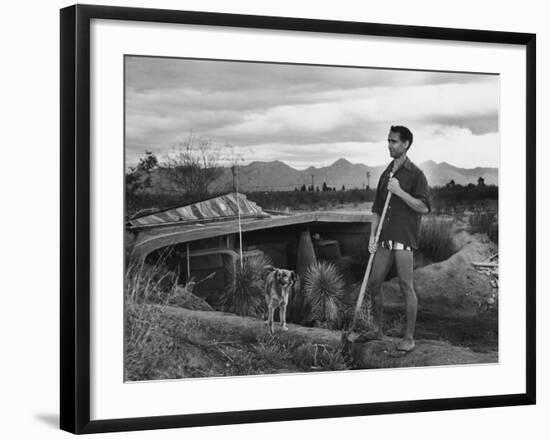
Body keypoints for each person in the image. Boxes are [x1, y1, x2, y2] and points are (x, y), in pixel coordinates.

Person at [366, 125, 431, 352]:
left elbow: (423, 206)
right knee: (374, 284)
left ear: (405, 144)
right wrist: (372, 236)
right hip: (384, 239)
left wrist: (401, 192)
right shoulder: (386, 174)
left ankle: (409, 338)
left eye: (394, 141)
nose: (389, 145)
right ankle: (377, 330)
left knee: (406, 286)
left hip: (404, 239)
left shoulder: (416, 174)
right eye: (388, 140)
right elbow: (376, 209)